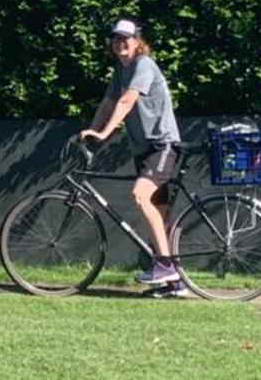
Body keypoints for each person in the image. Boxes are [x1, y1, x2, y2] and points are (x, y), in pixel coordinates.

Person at [78, 19, 187, 299]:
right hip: (144, 149)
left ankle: (163, 266)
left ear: (138, 41)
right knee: (159, 214)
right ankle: (174, 282)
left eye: (126, 38)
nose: (121, 43)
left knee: (140, 196)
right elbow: (108, 102)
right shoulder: (121, 71)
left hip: (162, 145)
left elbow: (126, 101)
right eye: (116, 39)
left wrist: (104, 134)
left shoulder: (143, 66)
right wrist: (92, 130)